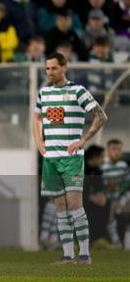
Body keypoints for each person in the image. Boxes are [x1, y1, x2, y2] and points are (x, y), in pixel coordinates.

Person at [33, 52, 108, 264]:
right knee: (60, 206)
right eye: (47, 68)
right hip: (51, 159)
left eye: (54, 68)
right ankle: (68, 255)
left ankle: (85, 254)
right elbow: (36, 116)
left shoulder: (78, 91)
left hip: (72, 158)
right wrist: (39, 142)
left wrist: (84, 139)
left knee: (74, 203)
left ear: (64, 68)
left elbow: (101, 116)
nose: (49, 72)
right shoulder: (43, 93)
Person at [101, 139, 129, 248]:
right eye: (114, 149)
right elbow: (100, 185)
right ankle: (116, 242)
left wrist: (120, 191)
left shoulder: (123, 165)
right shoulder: (103, 167)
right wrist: (108, 187)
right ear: (107, 150)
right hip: (110, 198)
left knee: (120, 206)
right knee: (111, 212)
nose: (117, 152)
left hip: (123, 197)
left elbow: (127, 182)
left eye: (119, 150)